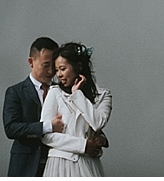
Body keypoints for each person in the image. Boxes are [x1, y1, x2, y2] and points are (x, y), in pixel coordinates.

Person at [40, 42, 112, 177]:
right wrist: (83, 145)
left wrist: (77, 94)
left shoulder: (103, 95)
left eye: (63, 68)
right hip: (60, 165)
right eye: (57, 70)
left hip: (88, 164)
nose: (59, 75)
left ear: (78, 67)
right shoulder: (55, 93)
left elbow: (97, 123)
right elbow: (46, 135)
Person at [3, 37, 63, 176]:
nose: (50, 72)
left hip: (58, 165)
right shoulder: (15, 92)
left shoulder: (62, 91)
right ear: (31, 62)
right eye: (45, 65)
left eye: (53, 66)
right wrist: (48, 126)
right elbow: (11, 128)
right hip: (25, 166)